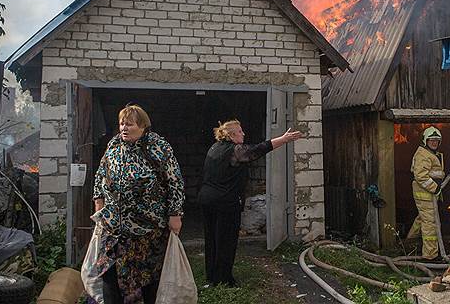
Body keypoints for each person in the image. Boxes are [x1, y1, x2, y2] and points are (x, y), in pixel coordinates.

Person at [92, 104, 185, 304]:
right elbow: (101, 173)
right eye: (121, 124)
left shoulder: (158, 147)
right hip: (114, 227)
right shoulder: (114, 145)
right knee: (109, 272)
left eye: (129, 124)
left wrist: (175, 214)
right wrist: (98, 201)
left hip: (147, 227)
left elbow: (174, 181)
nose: (124, 128)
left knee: (148, 277)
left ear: (142, 126)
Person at [198, 119, 304, 286]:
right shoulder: (235, 150)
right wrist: (283, 139)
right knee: (226, 240)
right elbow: (258, 150)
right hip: (225, 201)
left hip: (207, 199)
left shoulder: (214, 148)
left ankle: (212, 276)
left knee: (212, 239)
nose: (243, 133)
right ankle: (224, 280)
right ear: (231, 135)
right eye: (240, 131)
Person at [407, 126, 446, 260]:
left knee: (422, 218)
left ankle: (409, 243)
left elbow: (434, 172)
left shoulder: (431, 154)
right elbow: (421, 176)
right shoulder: (423, 154)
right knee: (430, 223)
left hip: (428, 193)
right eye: (431, 140)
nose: (434, 142)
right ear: (425, 141)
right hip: (425, 193)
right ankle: (430, 256)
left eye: (436, 140)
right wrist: (434, 188)